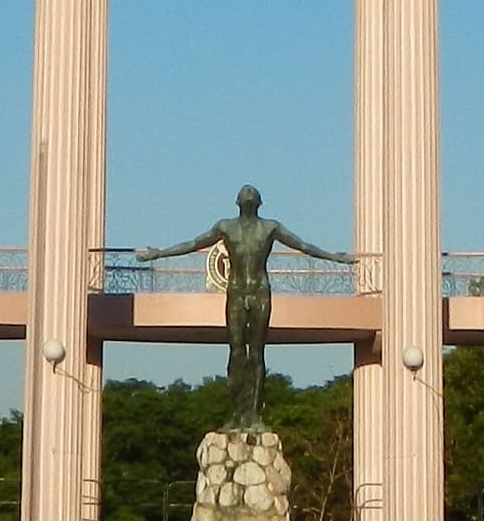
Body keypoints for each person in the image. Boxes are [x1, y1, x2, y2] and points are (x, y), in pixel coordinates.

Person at [140, 185, 343, 432]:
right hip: (236, 293)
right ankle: (237, 414)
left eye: (252, 192)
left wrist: (335, 258)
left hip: (260, 292)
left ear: (259, 202)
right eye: (244, 192)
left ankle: (254, 415)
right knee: (237, 353)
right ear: (237, 201)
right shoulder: (226, 227)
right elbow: (194, 243)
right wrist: (159, 254)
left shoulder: (270, 228)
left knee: (256, 354)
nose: (248, 193)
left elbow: (303, 246)